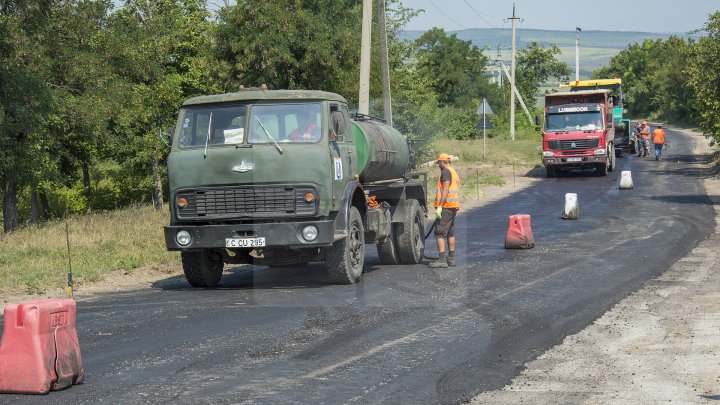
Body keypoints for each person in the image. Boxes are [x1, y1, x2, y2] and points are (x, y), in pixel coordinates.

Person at [429, 153, 461, 268]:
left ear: (442, 162)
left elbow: (445, 190)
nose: (438, 165)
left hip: (446, 206)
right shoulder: (453, 171)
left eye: (439, 163)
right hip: (453, 206)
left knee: (439, 233)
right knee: (450, 232)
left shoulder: (446, 172)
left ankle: (442, 260)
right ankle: (451, 259)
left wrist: (440, 206)